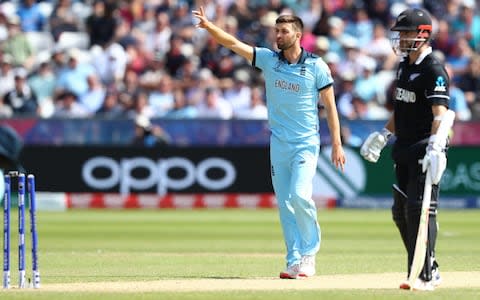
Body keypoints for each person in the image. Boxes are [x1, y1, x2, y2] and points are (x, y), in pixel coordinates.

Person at [192, 7, 346, 279]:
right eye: (277, 30)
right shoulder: (267, 59)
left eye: (284, 31)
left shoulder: (316, 66)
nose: (278, 35)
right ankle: (294, 260)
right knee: (285, 203)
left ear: (298, 35)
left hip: (305, 143)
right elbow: (232, 43)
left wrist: (337, 143)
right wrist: (209, 26)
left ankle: (309, 255)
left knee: (300, 195)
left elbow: (330, 107)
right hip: (279, 144)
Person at [360, 8, 451, 291]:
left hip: (425, 148)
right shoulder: (404, 66)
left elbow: (441, 113)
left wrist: (437, 147)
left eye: (406, 33)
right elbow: (402, 108)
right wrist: (385, 133)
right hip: (403, 147)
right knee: (400, 213)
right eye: (399, 34)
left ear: (422, 35)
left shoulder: (433, 69)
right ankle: (424, 266)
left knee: (420, 211)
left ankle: (426, 275)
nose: (400, 39)